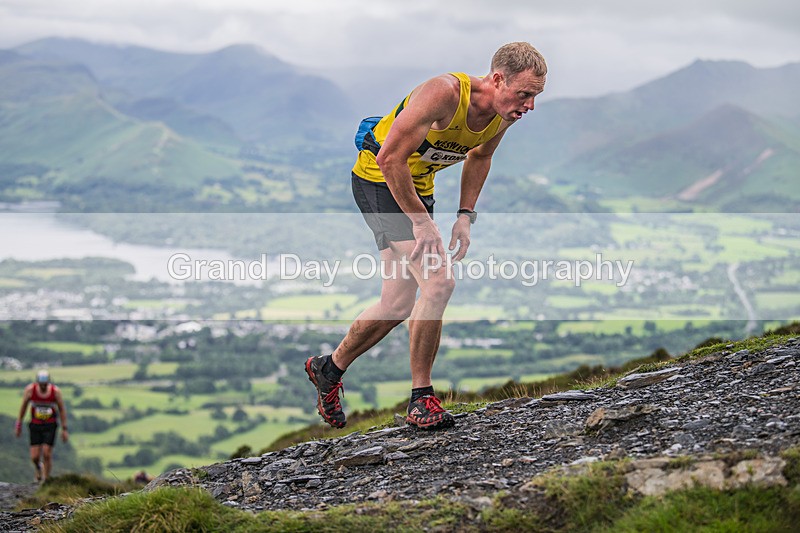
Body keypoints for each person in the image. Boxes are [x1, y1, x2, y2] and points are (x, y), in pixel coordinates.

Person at [306, 42, 547, 430]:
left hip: (416, 188)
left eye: (536, 95)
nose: (529, 105)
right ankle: (421, 399)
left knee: (397, 304)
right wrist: (422, 222)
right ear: (498, 79)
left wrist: (465, 215)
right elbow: (388, 158)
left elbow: (480, 157)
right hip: (379, 181)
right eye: (524, 94)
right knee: (439, 282)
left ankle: (328, 369)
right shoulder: (444, 94)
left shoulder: (504, 113)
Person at [14, 370, 69, 482]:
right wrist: (18, 424)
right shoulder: (30, 390)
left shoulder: (55, 392)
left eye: (45, 384)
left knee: (46, 453)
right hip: (35, 425)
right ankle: (39, 468)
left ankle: (46, 480)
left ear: (48, 382)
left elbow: (62, 410)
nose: (43, 386)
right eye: (41, 384)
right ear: (37, 382)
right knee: (34, 457)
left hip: (50, 425)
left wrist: (64, 429)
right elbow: (23, 407)